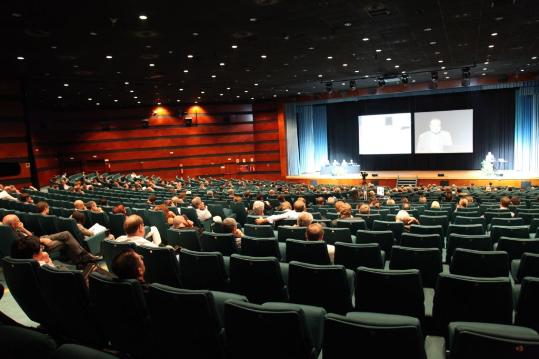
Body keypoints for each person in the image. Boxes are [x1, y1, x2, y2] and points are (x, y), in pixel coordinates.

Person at [2, 214, 101, 264]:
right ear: (12, 224)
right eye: (17, 221)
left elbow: (30, 236)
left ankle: (81, 257)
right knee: (65, 241)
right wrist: (41, 240)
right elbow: (31, 243)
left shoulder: (15, 230)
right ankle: (83, 257)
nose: (20, 221)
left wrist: (22, 228)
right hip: (37, 245)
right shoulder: (14, 235)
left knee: (66, 235)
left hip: (37, 239)